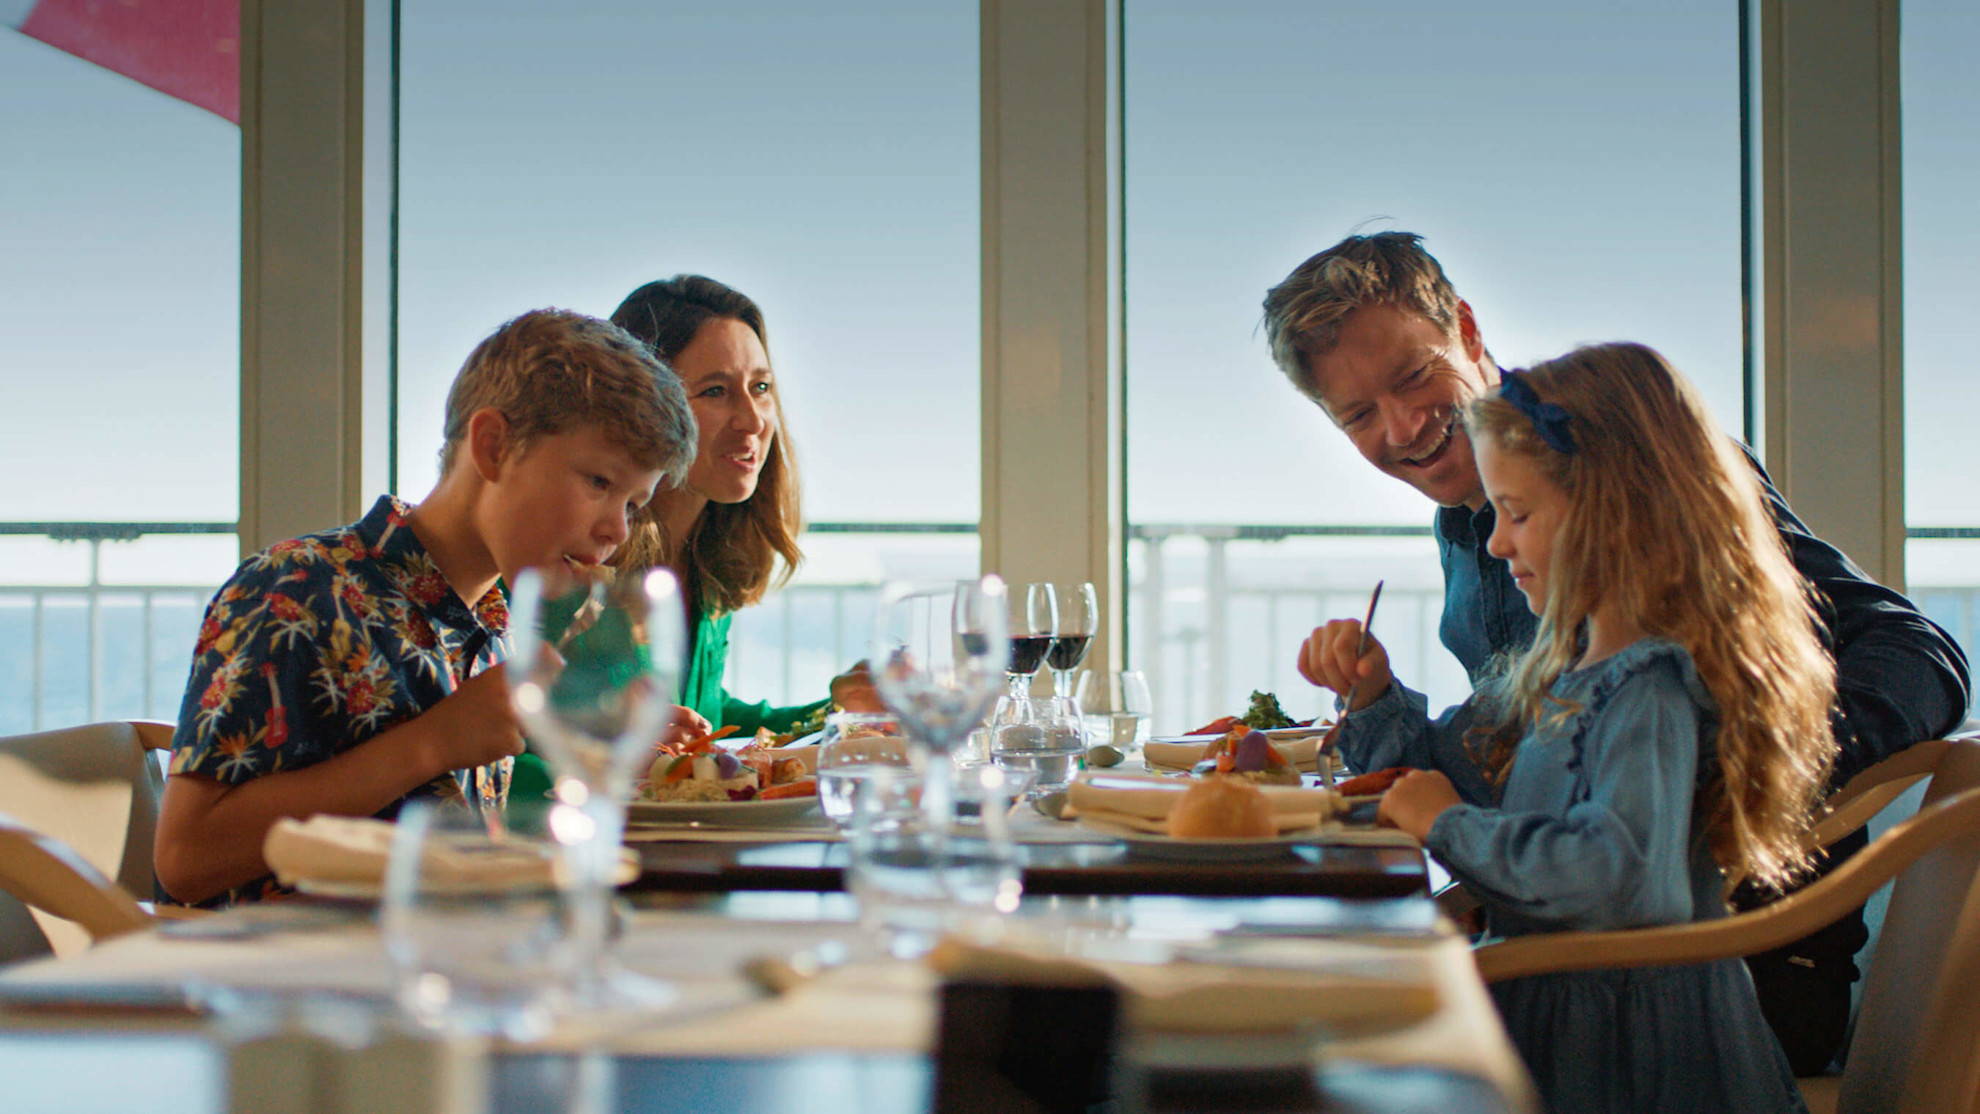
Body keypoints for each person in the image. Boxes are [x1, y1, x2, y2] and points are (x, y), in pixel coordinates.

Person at [1261, 231, 1970, 1072]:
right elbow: (1519, 740)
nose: (1406, 426)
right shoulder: (1475, 526)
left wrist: (1723, 794)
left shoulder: (1632, 475)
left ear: (1467, 327)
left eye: (1415, 376)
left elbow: (1917, 650)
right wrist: (1384, 709)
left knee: (1325, 1042)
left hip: (1716, 971)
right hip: (1569, 935)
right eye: (1359, 414)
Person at [1301, 343, 1832, 1111]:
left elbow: (1617, 883)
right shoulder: (1580, 676)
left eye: (1516, 513)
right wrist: (1378, 697)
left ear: (1618, 516)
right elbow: (1479, 792)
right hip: (1577, 1024)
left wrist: (1449, 826)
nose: (1494, 543)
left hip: (1630, 1062)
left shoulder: (1647, 687)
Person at [154, 309, 697, 907]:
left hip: (435, 960)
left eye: (632, 504)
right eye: (599, 482)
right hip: (290, 982)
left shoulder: (493, 624)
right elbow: (185, 859)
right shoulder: (295, 589)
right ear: (493, 447)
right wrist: (433, 743)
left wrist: (595, 743)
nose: (616, 531)